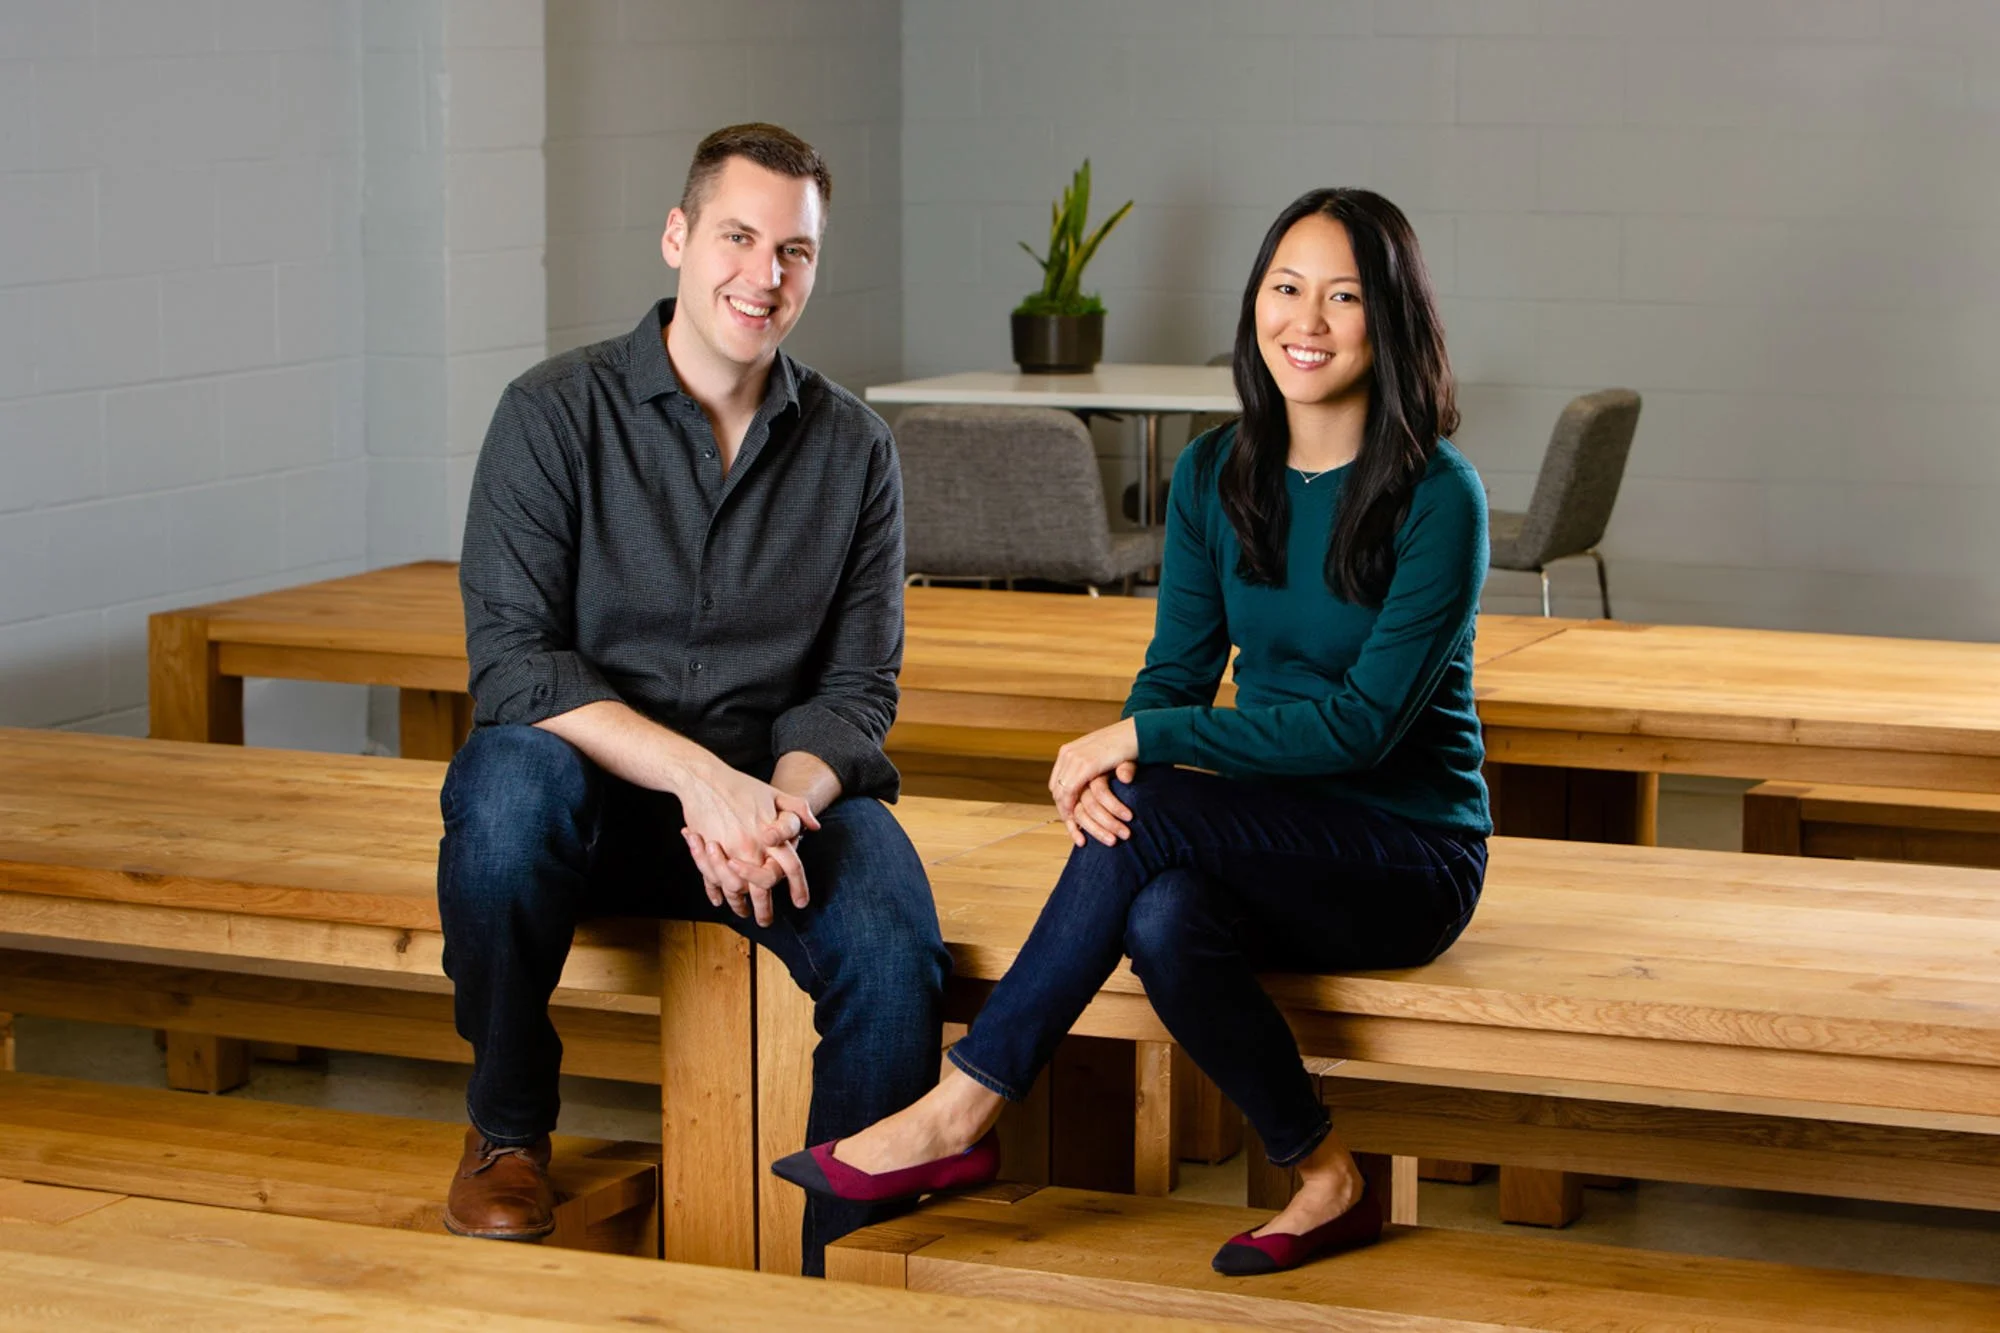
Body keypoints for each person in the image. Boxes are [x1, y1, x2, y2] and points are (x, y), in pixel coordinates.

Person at [774, 187, 1490, 1276]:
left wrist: (1140, 748)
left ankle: (958, 1110)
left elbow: (1359, 729)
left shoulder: (1440, 496)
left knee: (1150, 819)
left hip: (1406, 852)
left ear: (1389, 317)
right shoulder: (1215, 473)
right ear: (1253, 303)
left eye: (1342, 296)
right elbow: (1176, 670)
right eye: (1284, 288)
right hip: (1266, 830)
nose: (1306, 319)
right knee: (1158, 913)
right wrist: (1127, 744)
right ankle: (1328, 1176)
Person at [437, 123, 949, 1276]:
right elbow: (515, 660)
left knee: (892, 928)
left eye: (795, 251)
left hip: (769, 811)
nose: (763, 276)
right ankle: (507, 1127)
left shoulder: (855, 451)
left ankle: (852, 1257)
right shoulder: (550, 414)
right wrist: (698, 781)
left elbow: (856, 690)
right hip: (594, 800)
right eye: (737, 236)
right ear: (678, 237)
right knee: (509, 793)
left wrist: (769, 802)